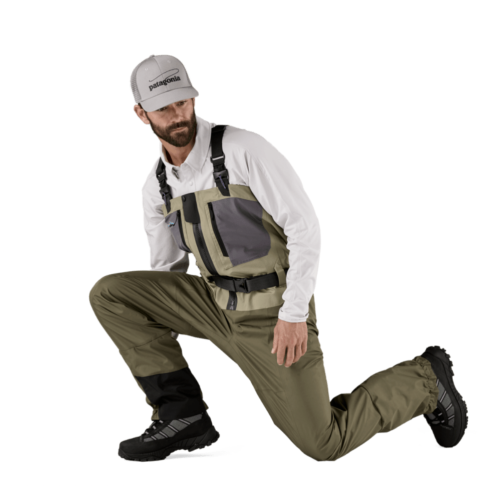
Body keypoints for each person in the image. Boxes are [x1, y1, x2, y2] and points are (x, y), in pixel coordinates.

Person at [89, 54, 468, 462]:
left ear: (193, 98)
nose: (178, 115)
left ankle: (424, 380)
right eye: (164, 108)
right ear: (141, 114)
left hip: (271, 312)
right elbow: (166, 273)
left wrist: (293, 314)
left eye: (182, 102)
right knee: (111, 294)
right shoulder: (157, 188)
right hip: (214, 304)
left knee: (323, 442)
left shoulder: (242, 150)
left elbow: (305, 230)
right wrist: (155, 334)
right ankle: (181, 414)